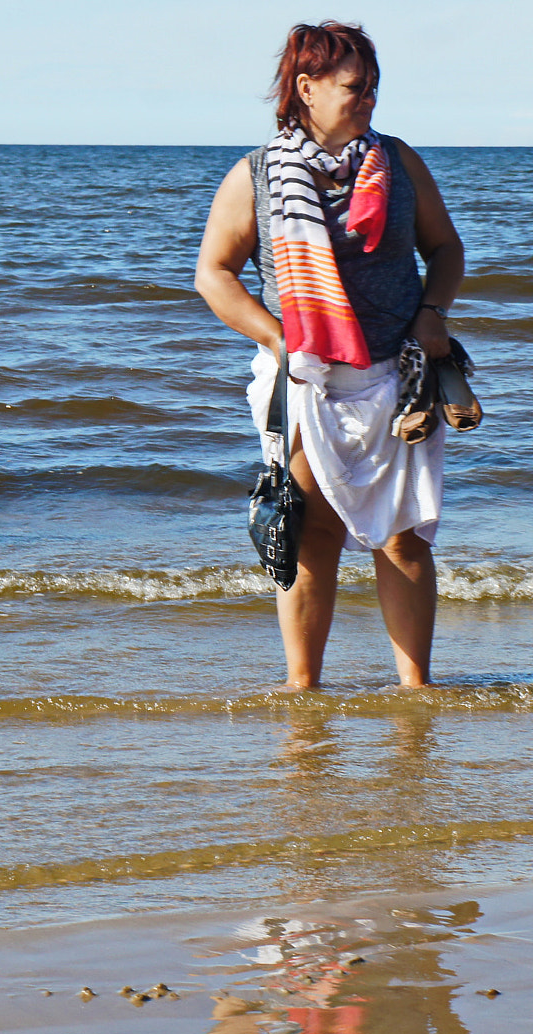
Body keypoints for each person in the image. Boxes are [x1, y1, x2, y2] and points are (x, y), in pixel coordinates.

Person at [195, 21, 464, 690]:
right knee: (310, 537)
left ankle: (416, 692)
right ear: (306, 88)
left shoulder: (398, 162)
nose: (368, 98)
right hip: (305, 380)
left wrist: (432, 314)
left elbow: (446, 250)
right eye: (354, 86)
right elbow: (214, 274)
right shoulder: (257, 174)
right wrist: (277, 337)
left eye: (374, 86)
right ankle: (303, 691)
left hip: (396, 376)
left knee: (403, 539)